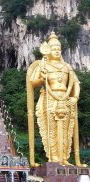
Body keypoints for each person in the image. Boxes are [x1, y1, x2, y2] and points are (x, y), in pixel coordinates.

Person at [27, 32, 86, 167]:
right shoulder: (43, 65)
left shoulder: (67, 67)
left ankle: (64, 158)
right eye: (54, 49)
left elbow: (75, 83)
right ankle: (53, 157)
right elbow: (33, 83)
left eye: (59, 49)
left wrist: (75, 97)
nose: (57, 51)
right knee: (51, 129)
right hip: (49, 98)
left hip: (65, 99)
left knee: (66, 130)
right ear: (48, 51)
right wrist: (42, 78)